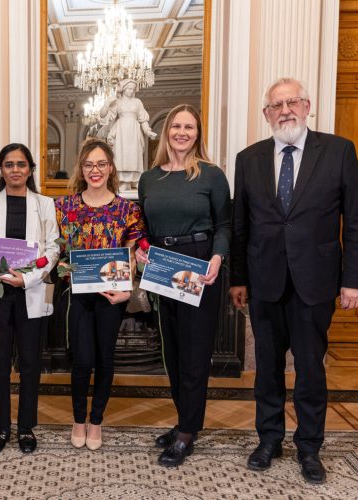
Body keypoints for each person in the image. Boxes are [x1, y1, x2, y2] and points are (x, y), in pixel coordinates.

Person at [230, 77, 358, 484]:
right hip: (264, 280)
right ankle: (269, 439)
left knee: (310, 369)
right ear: (266, 114)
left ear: (308, 106)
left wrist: (354, 280)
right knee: (268, 370)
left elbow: (355, 221)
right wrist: (239, 279)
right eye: (277, 105)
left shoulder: (339, 151)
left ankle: (310, 448)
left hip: (317, 281)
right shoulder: (248, 158)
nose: (285, 110)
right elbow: (241, 228)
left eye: (292, 102)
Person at [135, 104, 230, 467]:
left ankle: (188, 432)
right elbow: (143, 228)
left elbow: (224, 224)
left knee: (194, 353)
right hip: (162, 266)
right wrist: (142, 251)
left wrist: (217, 259)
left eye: (189, 127)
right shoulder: (149, 178)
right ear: (166, 131)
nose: (182, 132)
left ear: (197, 133)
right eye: (176, 125)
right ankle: (183, 422)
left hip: (199, 265)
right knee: (172, 352)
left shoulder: (211, 175)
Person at [55, 138, 146, 451]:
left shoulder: (127, 210)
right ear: (81, 168)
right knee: (81, 359)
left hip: (112, 296)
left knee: (104, 359)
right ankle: (78, 419)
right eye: (89, 164)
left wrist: (128, 289)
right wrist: (65, 269)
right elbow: (56, 252)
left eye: (101, 164)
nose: (95, 170)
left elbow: (135, 253)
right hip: (78, 295)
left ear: (111, 168)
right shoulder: (63, 208)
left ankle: (96, 422)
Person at [0, 144, 60, 454]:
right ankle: (1, 426)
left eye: (21, 164)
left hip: (30, 293)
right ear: (1, 169)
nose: (15, 170)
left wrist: (29, 277)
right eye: (9, 164)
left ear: (31, 169)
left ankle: (25, 428)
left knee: (31, 362)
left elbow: (53, 249)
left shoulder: (44, 204)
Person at [100, 79, 157, 191]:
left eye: (133, 89)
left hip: (134, 130)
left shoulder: (137, 102)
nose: (131, 91)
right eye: (129, 89)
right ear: (124, 89)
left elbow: (142, 119)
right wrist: (107, 103)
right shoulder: (118, 101)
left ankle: (134, 180)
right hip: (121, 130)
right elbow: (103, 115)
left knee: (134, 154)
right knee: (121, 154)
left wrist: (148, 131)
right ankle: (122, 180)